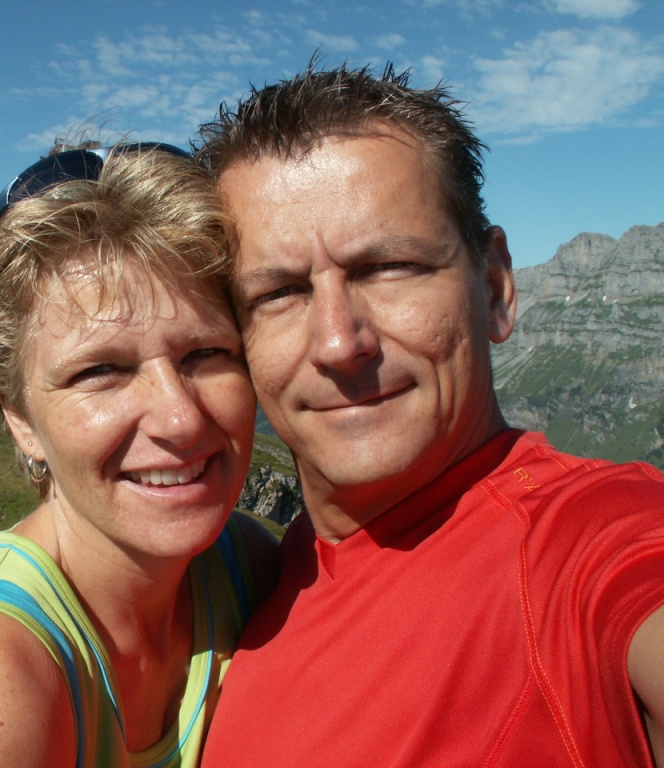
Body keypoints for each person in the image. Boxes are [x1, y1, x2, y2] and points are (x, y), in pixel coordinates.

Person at [195, 62, 664, 766]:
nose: (338, 342)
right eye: (279, 293)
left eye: (389, 267)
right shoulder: (250, 585)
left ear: (496, 287)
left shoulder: (589, 540)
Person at [0, 143, 277, 768]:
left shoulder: (249, 567)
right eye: (101, 370)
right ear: (20, 419)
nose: (180, 418)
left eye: (206, 353)